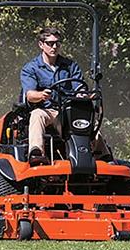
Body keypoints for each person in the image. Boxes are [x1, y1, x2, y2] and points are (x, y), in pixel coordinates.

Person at [20, 27, 112, 165]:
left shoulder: (70, 66)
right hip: (48, 110)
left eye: (57, 43)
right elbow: (30, 95)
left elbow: (80, 88)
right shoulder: (31, 68)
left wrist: (84, 95)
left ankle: (104, 157)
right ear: (41, 44)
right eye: (50, 43)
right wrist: (41, 95)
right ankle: (37, 153)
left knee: (87, 123)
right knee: (37, 114)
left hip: (69, 111)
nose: (54, 47)